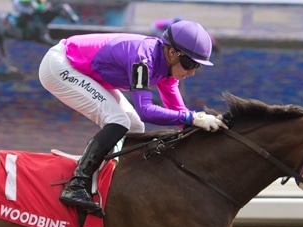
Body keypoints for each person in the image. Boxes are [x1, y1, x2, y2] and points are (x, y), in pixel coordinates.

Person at [38, 20, 227, 214]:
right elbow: (146, 110)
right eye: (190, 64)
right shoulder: (143, 59)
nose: (192, 72)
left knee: (135, 127)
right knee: (119, 120)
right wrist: (193, 118)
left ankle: (110, 183)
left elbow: (180, 114)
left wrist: (201, 127)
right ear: (172, 53)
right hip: (61, 66)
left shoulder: (167, 69)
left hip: (82, 70)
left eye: (198, 66)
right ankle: (77, 184)